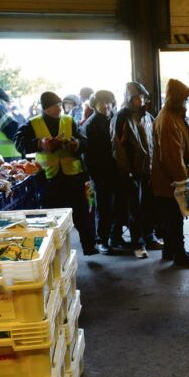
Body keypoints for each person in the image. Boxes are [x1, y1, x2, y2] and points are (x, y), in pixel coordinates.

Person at [14, 91, 97, 256]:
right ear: (45, 109)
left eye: (60, 105)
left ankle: (89, 246)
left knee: (82, 213)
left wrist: (76, 144)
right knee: (53, 217)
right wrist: (41, 143)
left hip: (73, 176)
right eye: (54, 106)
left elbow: (85, 142)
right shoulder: (33, 124)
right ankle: (55, 251)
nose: (58, 109)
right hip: (48, 179)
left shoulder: (69, 120)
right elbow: (19, 143)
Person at [112, 81, 163, 258]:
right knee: (134, 211)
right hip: (132, 173)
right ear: (129, 98)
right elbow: (118, 148)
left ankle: (150, 238)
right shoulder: (121, 118)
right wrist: (127, 172)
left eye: (143, 97)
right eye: (138, 97)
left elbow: (155, 143)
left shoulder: (148, 117)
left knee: (149, 208)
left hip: (147, 171)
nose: (142, 100)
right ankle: (138, 244)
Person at [151, 78, 189, 268]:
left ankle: (170, 251)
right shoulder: (169, 120)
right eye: (184, 99)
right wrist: (184, 183)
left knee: (171, 219)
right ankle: (180, 255)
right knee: (175, 220)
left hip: (166, 182)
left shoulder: (172, 116)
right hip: (170, 182)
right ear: (177, 98)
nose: (186, 102)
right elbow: (172, 156)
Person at [81, 90, 121, 255]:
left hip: (116, 172)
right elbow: (88, 157)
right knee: (103, 210)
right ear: (94, 105)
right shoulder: (90, 124)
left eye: (109, 103)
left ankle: (115, 237)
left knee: (117, 208)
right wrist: (96, 178)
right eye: (102, 103)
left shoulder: (112, 119)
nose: (106, 106)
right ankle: (102, 241)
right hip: (101, 175)